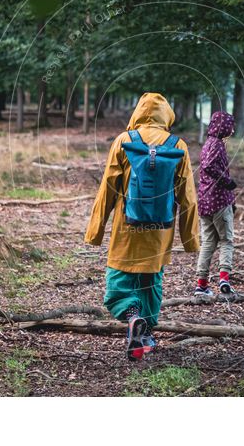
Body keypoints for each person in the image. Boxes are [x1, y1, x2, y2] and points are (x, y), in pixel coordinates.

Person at [84, 92, 200, 360]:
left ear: (137, 113)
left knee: (119, 282)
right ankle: (144, 335)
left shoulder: (124, 141)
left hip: (128, 227)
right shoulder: (178, 145)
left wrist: (95, 231)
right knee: (151, 281)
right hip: (160, 230)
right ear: (167, 116)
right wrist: (191, 240)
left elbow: (107, 191)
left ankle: (132, 318)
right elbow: (188, 198)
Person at [194, 110, 238, 297]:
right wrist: (227, 183)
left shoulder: (208, 143)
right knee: (226, 240)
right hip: (218, 201)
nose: (233, 129)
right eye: (230, 126)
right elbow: (209, 167)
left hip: (205, 201)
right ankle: (224, 279)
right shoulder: (217, 144)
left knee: (208, 242)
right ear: (224, 127)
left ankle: (202, 285)